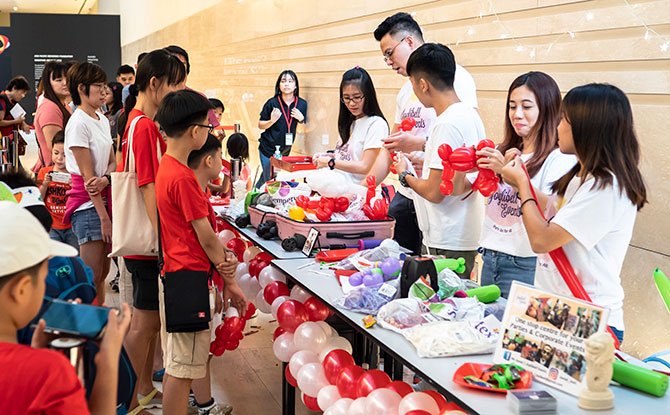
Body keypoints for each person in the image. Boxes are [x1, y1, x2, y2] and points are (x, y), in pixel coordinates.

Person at [502, 83, 648, 344]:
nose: (557, 126)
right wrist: (517, 177)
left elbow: (542, 240)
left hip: (588, 317)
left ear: (586, 128)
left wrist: (522, 185)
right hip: (555, 308)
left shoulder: (607, 187)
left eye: (564, 120)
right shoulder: (581, 177)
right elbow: (554, 211)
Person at [155, 89, 246, 415]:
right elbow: (207, 238)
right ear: (195, 131)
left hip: (179, 276)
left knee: (179, 364)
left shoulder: (167, 167)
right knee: (182, 370)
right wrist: (231, 282)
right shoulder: (182, 178)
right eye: (208, 128)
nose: (209, 133)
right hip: (188, 280)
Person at [0, 201, 132, 415]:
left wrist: (35, 355)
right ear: (21, 290)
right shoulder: (49, 372)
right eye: (43, 279)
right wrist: (107, 360)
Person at [370, 12, 479, 255]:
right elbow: (392, 145)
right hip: (411, 196)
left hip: (440, 204)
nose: (388, 62)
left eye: (389, 53)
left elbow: (466, 144)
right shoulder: (404, 91)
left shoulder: (455, 78)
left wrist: (419, 147)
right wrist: (368, 185)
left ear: (408, 42)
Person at [116, 48, 186, 415]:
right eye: (174, 83)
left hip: (146, 242)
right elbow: (147, 186)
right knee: (143, 324)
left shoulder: (137, 121)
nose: (177, 91)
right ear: (155, 84)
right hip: (147, 244)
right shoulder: (142, 125)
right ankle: (123, 400)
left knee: (149, 322)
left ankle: (142, 390)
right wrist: (163, 240)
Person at [475, 72, 577, 297]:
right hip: (489, 256)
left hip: (526, 264)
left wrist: (509, 176)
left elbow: (554, 210)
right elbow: (462, 189)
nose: (517, 114)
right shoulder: (504, 150)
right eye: (512, 106)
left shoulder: (559, 157)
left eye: (526, 106)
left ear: (548, 109)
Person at [392, 43, 485, 279]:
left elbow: (435, 192)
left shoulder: (446, 124)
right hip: (461, 234)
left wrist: (405, 175)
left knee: (439, 310)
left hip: (446, 237)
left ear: (423, 84)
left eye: (413, 83)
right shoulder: (468, 114)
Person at [186, 134, 234, 415]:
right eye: (219, 157)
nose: (222, 163)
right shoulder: (191, 189)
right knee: (196, 350)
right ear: (208, 160)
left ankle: (198, 397)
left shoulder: (198, 187)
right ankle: (205, 405)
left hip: (199, 276)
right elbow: (205, 240)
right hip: (193, 277)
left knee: (195, 350)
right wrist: (226, 273)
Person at [62, 62, 115, 306]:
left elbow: (113, 162)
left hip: (104, 199)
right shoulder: (78, 122)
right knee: (90, 277)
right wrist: (104, 217)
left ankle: (101, 322)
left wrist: (107, 179)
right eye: (99, 86)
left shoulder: (102, 119)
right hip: (88, 206)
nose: (105, 91)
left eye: (105, 86)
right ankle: (88, 331)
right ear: (82, 88)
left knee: (102, 274)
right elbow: (88, 180)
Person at [313, 67, 389, 185]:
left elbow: (365, 166)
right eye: (347, 98)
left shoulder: (376, 124)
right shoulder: (350, 121)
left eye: (357, 97)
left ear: (368, 95)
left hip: (355, 194)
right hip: (336, 189)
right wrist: (330, 155)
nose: (352, 103)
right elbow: (350, 157)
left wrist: (330, 162)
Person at [256, 70, 308, 188]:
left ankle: (254, 192)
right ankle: (262, 201)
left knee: (267, 177)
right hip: (267, 148)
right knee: (270, 180)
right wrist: (271, 121)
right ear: (279, 85)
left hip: (285, 150)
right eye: (283, 81)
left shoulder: (301, 104)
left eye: (290, 81)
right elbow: (260, 124)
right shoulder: (272, 103)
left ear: (295, 86)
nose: (286, 84)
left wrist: (301, 119)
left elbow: (308, 129)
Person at [37, 131, 78, 251]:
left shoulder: (75, 174)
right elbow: (38, 198)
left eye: (65, 155)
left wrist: (74, 186)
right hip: (52, 225)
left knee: (73, 257)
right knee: (54, 258)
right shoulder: (44, 172)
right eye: (56, 153)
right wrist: (45, 184)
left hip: (71, 225)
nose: (59, 158)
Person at [164, 45, 219, 129]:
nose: (178, 67)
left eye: (182, 64)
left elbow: (214, 130)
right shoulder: (157, 98)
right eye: (174, 62)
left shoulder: (199, 99)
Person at [33, 61, 72, 173]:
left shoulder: (62, 104)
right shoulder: (50, 108)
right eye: (58, 80)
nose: (65, 83)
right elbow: (55, 146)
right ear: (48, 83)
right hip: (55, 174)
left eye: (67, 78)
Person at [215, 132, 252, 198]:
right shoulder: (247, 167)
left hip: (228, 201)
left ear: (229, 150)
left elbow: (224, 189)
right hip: (240, 200)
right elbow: (249, 187)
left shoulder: (229, 168)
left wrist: (209, 185)